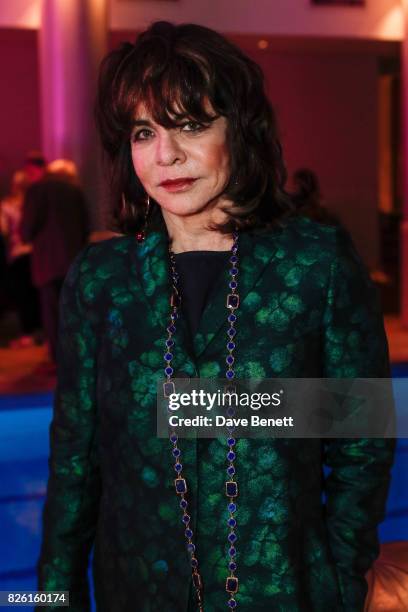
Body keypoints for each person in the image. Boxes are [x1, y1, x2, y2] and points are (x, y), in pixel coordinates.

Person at [36, 22, 395, 612]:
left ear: (242, 130)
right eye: (143, 131)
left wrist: (340, 580)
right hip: (137, 591)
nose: (165, 155)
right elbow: (76, 458)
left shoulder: (315, 264)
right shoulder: (102, 279)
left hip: (282, 590)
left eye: (191, 125)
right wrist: (51, 599)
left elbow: (362, 439)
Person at [20, 159, 90, 365]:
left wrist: (26, 236)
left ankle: (57, 358)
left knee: (51, 312)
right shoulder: (74, 191)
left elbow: (28, 226)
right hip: (73, 259)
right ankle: (77, 354)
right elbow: (85, 225)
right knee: (73, 309)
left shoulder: (37, 190)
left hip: (47, 261)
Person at [0, 169, 41, 346]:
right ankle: (39, 332)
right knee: (35, 294)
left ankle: (28, 333)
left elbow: (4, 230)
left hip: (17, 253)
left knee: (23, 295)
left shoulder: (7, 205)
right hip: (34, 252)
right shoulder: (34, 203)